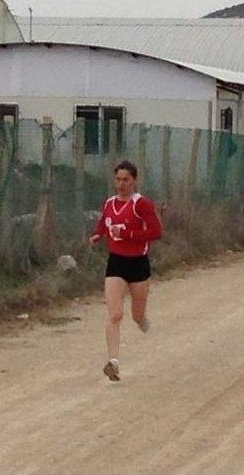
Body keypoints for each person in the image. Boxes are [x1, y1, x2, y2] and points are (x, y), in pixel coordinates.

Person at [89, 160, 162, 382]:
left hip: (138, 264)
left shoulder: (141, 204)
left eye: (126, 180)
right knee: (115, 314)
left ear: (134, 181)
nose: (121, 184)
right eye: (118, 179)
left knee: (136, 315)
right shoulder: (110, 203)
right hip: (116, 263)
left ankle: (142, 320)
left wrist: (129, 234)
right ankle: (113, 363)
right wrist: (97, 235)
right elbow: (105, 222)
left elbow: (156, 232)